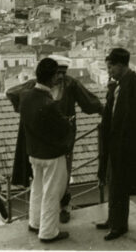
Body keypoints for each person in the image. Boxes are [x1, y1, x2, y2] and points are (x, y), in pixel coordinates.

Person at [7, 54, 104, 223]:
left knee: (63, 173)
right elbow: (12, 93)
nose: (60, 76)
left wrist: (104, 112)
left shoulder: (71, 84)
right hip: (41, 137)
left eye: (63, 73)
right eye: (57, 72)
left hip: (62, 137)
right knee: (43, 178)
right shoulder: (33, 85)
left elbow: (89, 102)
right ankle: (44, 220)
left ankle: (63, 207)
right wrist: (27, 112)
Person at [96, 48, 136, 241]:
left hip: (125, 148)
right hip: (115, 146)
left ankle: (119, 225)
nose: (109, 71)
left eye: (111, 67)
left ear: (120, 66)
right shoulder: (121, 85)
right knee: (114, 184)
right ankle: (113, 220)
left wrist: (130, 146)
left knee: (119, 186)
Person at [19, 57, 73, 243]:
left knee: (38, 189)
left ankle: (35, 223)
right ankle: (48, 232)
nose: (58, 78)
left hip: (34, 152)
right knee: (52, 193)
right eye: (56, 75)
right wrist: (67, 122)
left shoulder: (25, 97)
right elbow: (64, 128)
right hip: (52, 155)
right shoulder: (49, 104)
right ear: (50, 78)